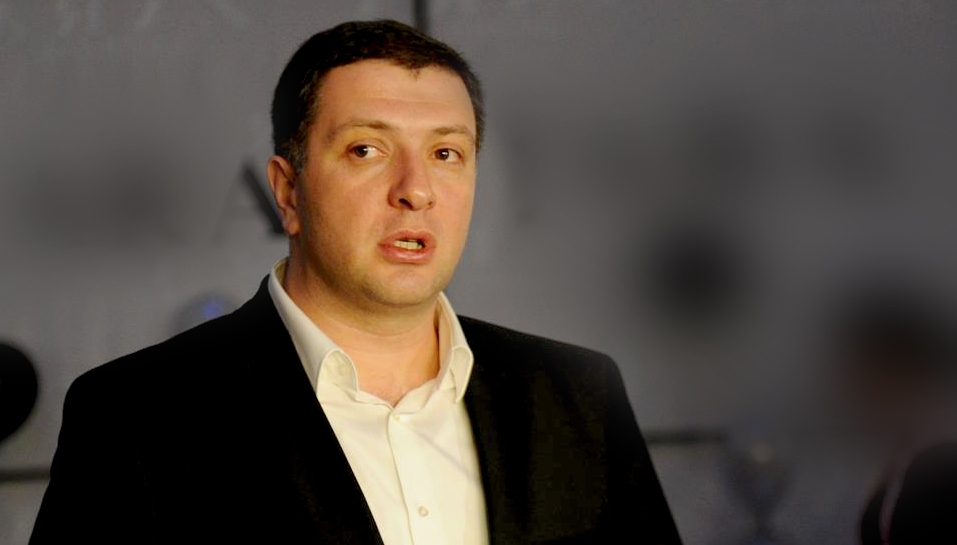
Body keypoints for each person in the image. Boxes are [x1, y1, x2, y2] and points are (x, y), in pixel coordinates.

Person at [30, 20, 681, 544]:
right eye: (366, 150)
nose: (416, 190)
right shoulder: (137, 418)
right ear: (288, 192)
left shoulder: (577, 395)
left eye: (446, 153)